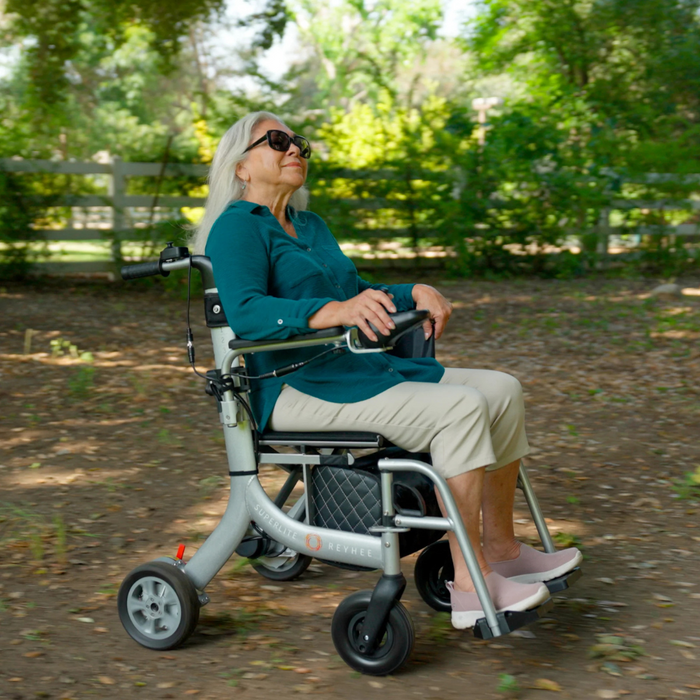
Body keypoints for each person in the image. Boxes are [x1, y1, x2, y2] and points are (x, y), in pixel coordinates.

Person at [192, 111, 581, 630]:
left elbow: (356, 292)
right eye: (279, 141)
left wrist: (412, 291)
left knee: (502, 390)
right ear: (241, 165)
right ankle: (470, 586)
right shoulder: (237, 226)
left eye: (300, 142)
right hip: (292, 385)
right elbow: (245, 312)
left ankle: (501, 549)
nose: (296, 150)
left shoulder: (309, 226)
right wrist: (331, 312)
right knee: (461, 409)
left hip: (353, 371)